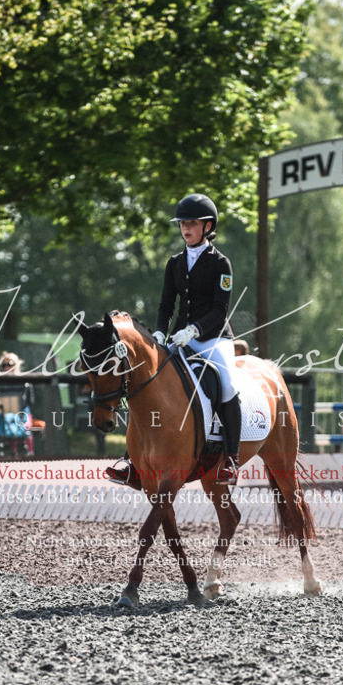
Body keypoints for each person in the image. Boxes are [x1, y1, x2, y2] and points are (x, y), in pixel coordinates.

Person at [106, 192, 242, 487]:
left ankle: (231, 459)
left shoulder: (221, 263)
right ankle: (131, 459)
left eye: (192, 223)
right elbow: (166, 306)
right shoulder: (175, 263)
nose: (185, 229)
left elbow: (220, 311)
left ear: (207, 226)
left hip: (213, 338)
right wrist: (157, 332)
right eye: (182, 224)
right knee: (148, 382)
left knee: (228, 384)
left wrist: (194, 331)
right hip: (178, 338)